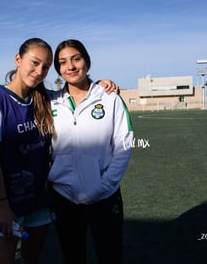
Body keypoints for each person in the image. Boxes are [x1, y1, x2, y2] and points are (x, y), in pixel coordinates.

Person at [0, 38, 118, 264]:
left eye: (45, 67)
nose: (39, 71)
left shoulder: (43, 98)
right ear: (18, 59)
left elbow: (77, 90)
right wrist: (3, 206)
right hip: (8, 204)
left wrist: (101, 84)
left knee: (31, 260)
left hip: (39, 202)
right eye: (34, 63)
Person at [47, 39, 134, 264]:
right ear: (58, 69)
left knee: (110, 256)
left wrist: (105, 186)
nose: (71, 66)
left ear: (87, 61)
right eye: (63, 62)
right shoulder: (50, 102)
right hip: (64, 195)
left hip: (104, 195)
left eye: (76, 58)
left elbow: (124, 144)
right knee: (72, 257)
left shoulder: (110, 98)